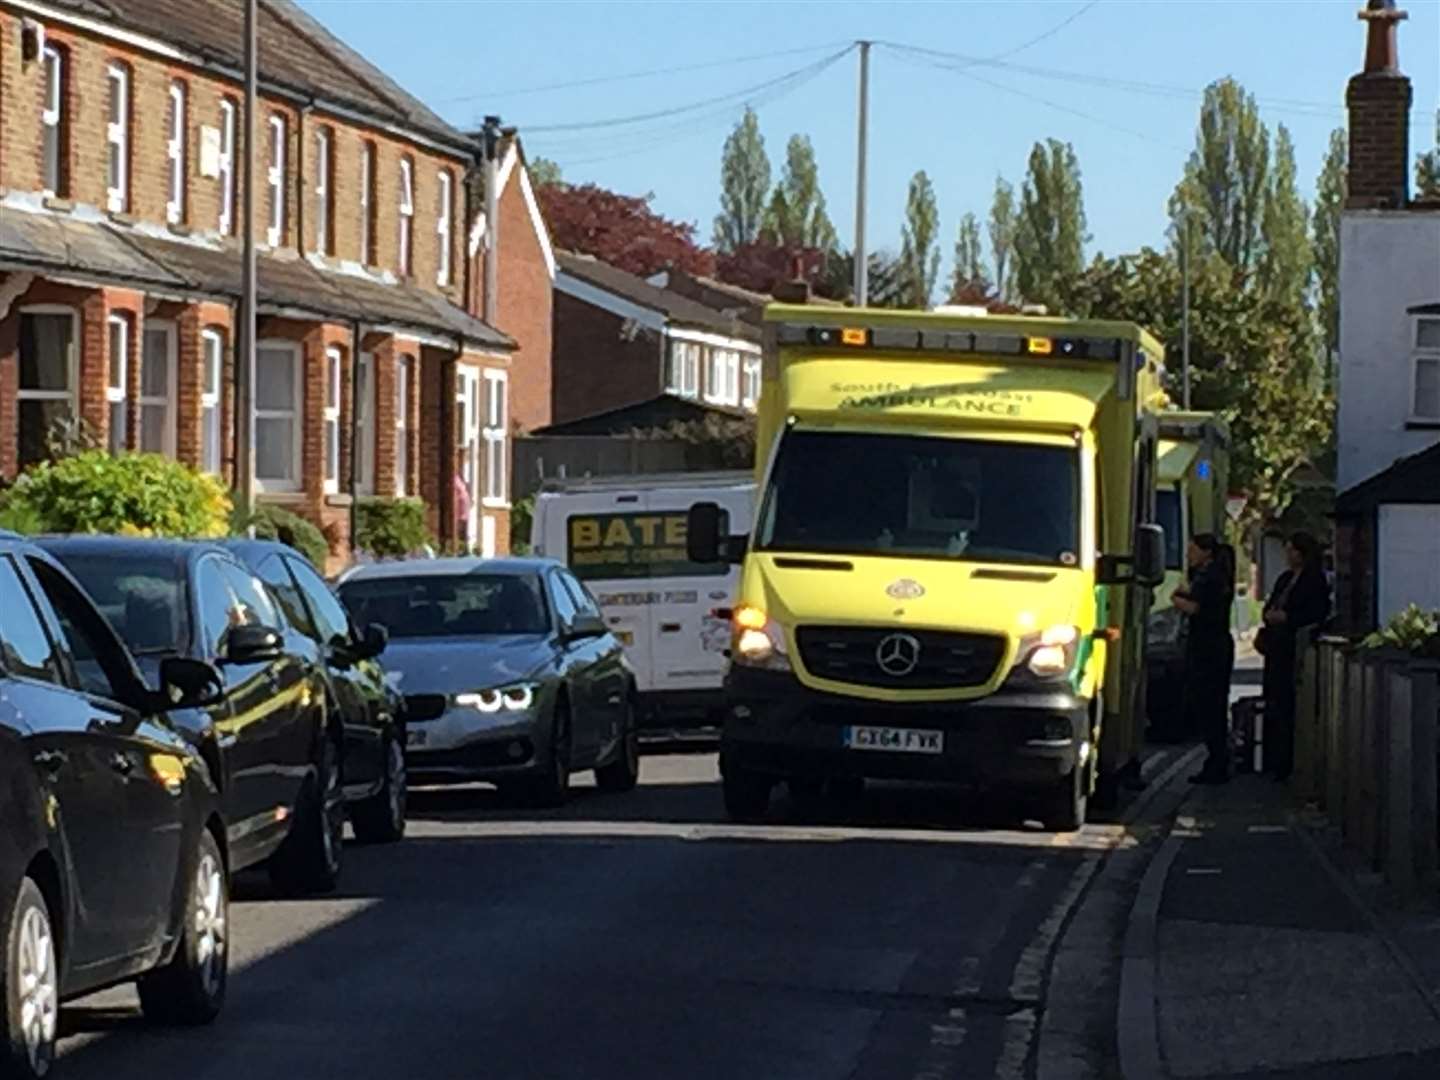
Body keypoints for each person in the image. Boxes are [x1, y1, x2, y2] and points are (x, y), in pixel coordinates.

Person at [1259, 531, 1331, 780]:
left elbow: (1316, 612)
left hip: (1294, 648)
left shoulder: (1314, 580)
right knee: (1274, 701)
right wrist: (1269, 615)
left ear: (1302, 553)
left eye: (1291, 550)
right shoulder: (1285, 578)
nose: (1288, 555)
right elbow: (1270, 604)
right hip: (1275, 648)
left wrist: (1288, 618)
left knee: (1289, 703)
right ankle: (1273, 760)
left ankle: (1285, 762)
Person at [1172, 533, 1236, 784]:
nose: (1189, 554)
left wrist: (1178, 600)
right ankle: (1216, 760)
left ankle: (1218, 763)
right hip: (1212, 646)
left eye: (1193, 550)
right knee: (1210, 706)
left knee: (1210, 707)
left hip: (1210, 648)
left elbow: (1201, 609)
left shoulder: (1211, 577)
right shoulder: (1211, 575)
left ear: (1206, 552)